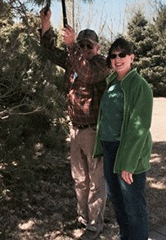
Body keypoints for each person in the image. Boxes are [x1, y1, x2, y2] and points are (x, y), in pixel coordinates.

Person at [39, 7, 110, 240]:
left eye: (89, 45)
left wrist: (71, 47)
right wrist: (46, 25)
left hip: (93, 132)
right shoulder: (73, 59)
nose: (85, 48)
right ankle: (82, 217)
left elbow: (87, 74)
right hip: (75, 130)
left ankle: (94, 224)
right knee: (79, 179)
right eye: (82, 44)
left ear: (98, 48)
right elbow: (49, 51)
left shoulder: (102, 64)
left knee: (96, 181)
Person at [93, 37, 153, 240]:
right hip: (110, 150)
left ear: (131, 57)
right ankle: (125, 236)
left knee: (133, 205)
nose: (117, 59)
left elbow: (139, 127)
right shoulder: (111, 84)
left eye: (122, 55)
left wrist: (128, 162)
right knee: (117, 200)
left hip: (128, 153)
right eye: (113, 56)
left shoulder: (140, 86)